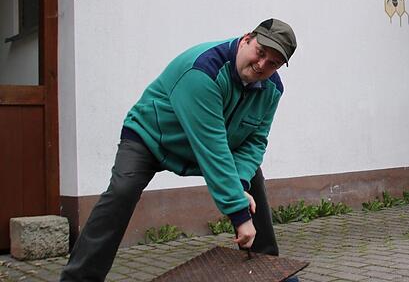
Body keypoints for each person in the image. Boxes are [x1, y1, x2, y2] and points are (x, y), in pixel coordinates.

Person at [61, 18, 298, 281]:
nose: (262, 64)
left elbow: (255, 142)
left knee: (252, 178)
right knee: (122, 191)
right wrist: (239, 212)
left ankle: (268, 270)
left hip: (209, 146)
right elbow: (212, 147)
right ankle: (79, 278)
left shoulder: (272, 89)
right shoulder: (203, 70)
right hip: (151, 138)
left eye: (273, 62)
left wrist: (240, 183)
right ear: (246, 39)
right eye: (260, 52)